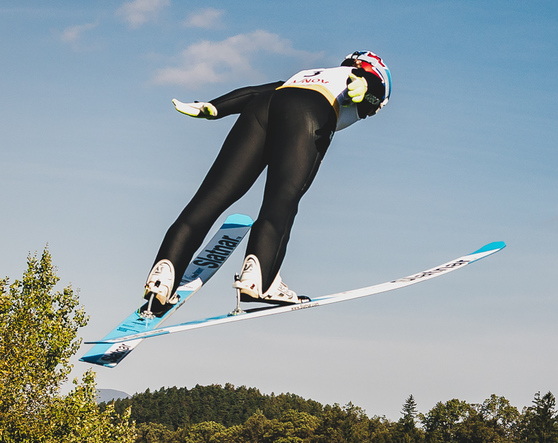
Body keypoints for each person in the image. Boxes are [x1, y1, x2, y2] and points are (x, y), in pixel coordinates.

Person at [142, 51, 391, 315]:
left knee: (211, 197)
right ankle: (260, 279)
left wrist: (215, 107)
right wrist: (368, 88)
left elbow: (254, 92)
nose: (369, 113)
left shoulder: (308, 75)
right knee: (281, 199)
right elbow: (373, 86)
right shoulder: (358, 77)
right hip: (307, 111)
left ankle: (163, 276)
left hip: (262, 106)